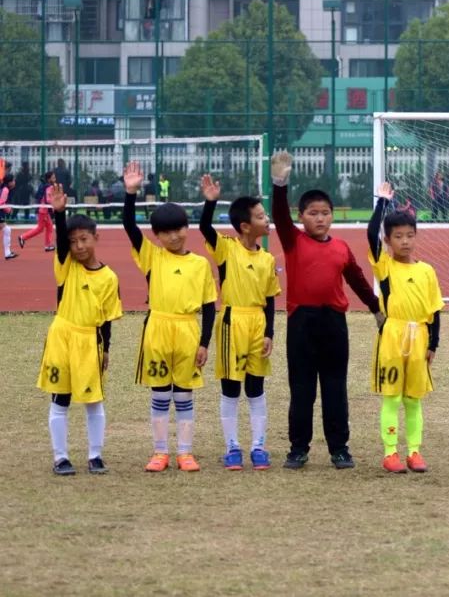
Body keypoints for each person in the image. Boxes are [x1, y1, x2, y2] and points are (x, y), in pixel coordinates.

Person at [269, 150, 382, 470]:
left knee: (335, 388)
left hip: (334, 324)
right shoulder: (293, 241)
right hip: (301, 323)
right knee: (302, 389)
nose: (320, 218)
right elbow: (278, 215)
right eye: (313, 213)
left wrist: (376, 309)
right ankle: (297, 448)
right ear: (301, 216)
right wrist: (280, 183)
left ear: (332, 215)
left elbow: (359, 280)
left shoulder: (341, 248)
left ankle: (340, 449)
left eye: (325, 213)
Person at [122, 161, 217, 472]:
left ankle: (185, 452)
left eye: (178, 229)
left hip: (188, 331)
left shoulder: (201, 264)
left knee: (185, 394)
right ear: (158, 236)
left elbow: (208, 307)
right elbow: (129, 227)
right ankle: (160, 451)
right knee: (160, 392)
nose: (174, 237)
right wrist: (131, 193)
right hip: (159, 328)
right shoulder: (152, 256)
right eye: (165, 232)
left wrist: (204, 343)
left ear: (186, 228)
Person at [35, 185, 122, 475]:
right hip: (62, 335)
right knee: (60, 398)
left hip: (90, 341)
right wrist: (59, 213)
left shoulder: (110, 277)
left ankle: (95, 455)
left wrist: (106, 348)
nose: (79, 246)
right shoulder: (66, 265)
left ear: (96, 237)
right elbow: (61, 243)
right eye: (74, 242)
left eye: (84, 239)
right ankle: (61, 457)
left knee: (93, 399)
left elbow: (107, 318)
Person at [199, 174, 281, 471]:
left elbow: (270, 298)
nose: (267, 218)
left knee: (256, 387)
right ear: (246, 226)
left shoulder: (268, 259)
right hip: (232, 322)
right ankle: (232, 446)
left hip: (257, 324)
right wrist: (210, 202)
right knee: (231, 387)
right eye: (261, 216)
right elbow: (204, 228)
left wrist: (270, 332)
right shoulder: (227, 249)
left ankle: (258, 446)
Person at [368, 182, 444, 473]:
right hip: (392, 336)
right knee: (393, 396)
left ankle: (414, 452)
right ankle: (390, 453)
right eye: (398, 236)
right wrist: (382, 204)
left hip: (419, 337)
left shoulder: (427, 271)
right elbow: (369, 235)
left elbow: (435, 310)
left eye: (410, 235)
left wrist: (433, 344)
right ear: (388, 240)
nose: (405, 241)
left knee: (413, 398)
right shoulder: (385, 266)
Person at [20, 171, 57, 252]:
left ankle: (48, 245)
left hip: (43, 210)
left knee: (50, 227)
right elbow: (47, 200)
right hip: (44, 210)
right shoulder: (49, 187)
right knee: (40, 228)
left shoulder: (44, 185)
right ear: (49, 179)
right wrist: (53, 206)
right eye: (53, 177)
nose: (55, 179)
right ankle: (23, 237)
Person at [1, 173, 15, 260]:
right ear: (9, 182)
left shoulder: (5, 189)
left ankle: (7, 253)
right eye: (13, 181)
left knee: (6, 230)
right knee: (7, 229)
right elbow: (1, 202)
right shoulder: (5, 189)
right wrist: (9, 209)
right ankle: (7, 253)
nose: (14, 182)